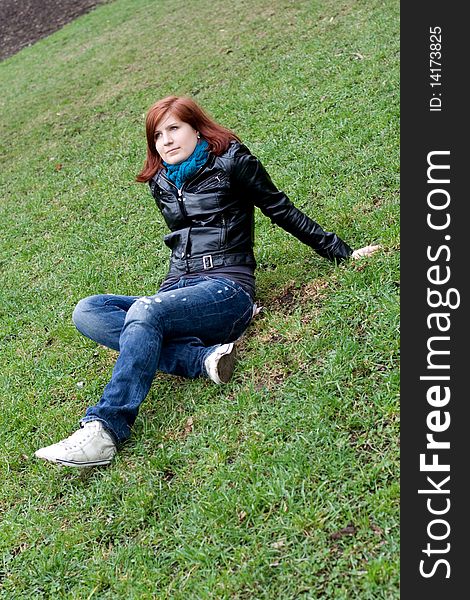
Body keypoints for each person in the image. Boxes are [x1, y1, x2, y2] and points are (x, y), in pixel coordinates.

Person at [35, 95, 380, 468]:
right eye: (157, 135)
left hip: (228, 289)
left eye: (173, 129)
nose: (165, 141)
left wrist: (342, 253)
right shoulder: (162, 180)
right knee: (89, 310)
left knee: (146, 313)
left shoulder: (232, 161)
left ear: (196, 128)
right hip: (177, 290)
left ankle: (104, 431)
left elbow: (280, 209)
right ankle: (202, 360)